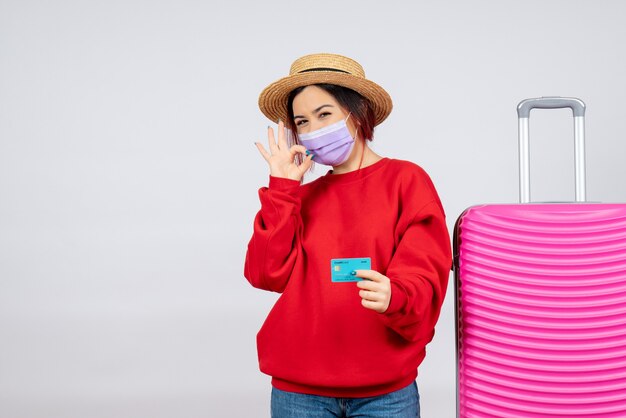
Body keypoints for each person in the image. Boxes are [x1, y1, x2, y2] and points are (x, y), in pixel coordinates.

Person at [244, 53, 452, 418]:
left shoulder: (406, 181)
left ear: (358, 114)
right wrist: (282, 188)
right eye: (302, 122)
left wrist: (396, 294)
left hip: (386, 393)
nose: (312, 130)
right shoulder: (298, 197)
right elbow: (265, 274)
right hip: (299, 393)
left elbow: (428, 270)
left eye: (325, 114)